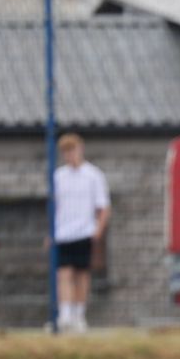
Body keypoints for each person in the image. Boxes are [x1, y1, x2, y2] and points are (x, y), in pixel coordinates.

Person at [52, 133, 110, 334]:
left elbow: (103, 206)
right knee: (64, 273)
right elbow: (53, 207)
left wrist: (98, 230)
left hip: (85, 232)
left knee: (82, 275)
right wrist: (51, 232)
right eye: (66, 152)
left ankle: (79, 315)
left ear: (80, 149)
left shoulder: (93, 175)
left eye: (72, 150)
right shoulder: (58, 177)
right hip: (62, 234)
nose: (70, 155)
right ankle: (65, 315)